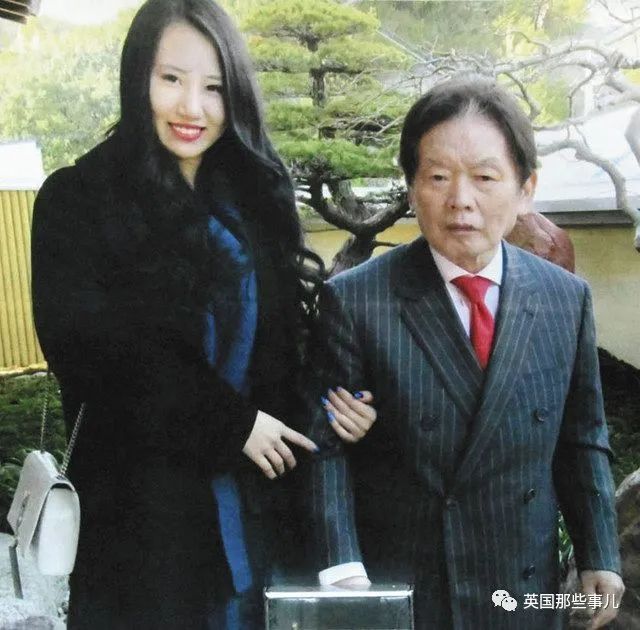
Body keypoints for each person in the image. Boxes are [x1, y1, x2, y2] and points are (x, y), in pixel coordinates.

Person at [31, 0, 375, 628]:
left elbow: (286, 353)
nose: (192, 106)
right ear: (137, 77)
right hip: (144, 517)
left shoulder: (255, 196)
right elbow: (89, 352)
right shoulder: (79, 199)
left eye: (214, 88)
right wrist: (230, 424)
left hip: (261, 510)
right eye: (171, 79)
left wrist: (340, 409)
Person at [307, 77, 624, 629]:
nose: (460, 200)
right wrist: (343, 570)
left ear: (525, 188)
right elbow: (326, 446)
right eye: (437, 177)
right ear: (411, 189)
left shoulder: (564, 297)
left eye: (484, 177)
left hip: (522, 590)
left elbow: (581, 437)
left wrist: (599, 554)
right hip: (411, 585)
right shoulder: (356, 299)